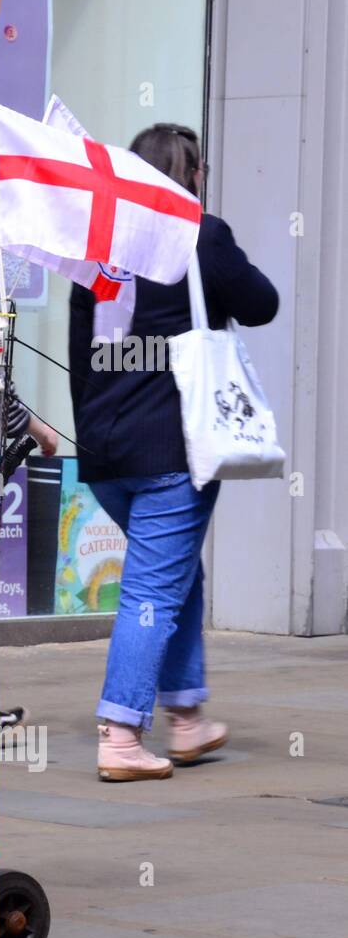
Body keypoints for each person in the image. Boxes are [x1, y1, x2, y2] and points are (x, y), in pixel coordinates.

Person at [68, 123, 278, 781]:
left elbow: (84, 353)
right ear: (191, 174)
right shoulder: (200, 235)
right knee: (152, 589)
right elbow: (263, 302)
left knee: (176, 573)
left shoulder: (98, 247)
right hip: (171, 451)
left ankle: (186, 717)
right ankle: (122, 733)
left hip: (105, 456)